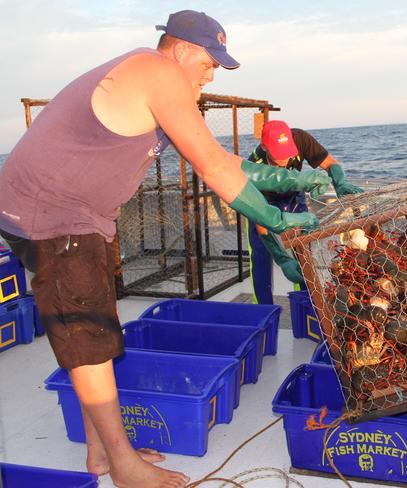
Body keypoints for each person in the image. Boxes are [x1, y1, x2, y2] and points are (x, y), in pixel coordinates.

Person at [0, 10, 325, 488]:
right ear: (181, 50)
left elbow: (226, 163)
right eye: (210, 62)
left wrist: (292, 180)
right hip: (53, 217)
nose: (211, 73)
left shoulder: (149, 77)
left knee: (93, 330)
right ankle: (124, 466)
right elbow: (214, 168)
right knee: (90, 339)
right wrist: (277, 219)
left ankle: (99, 451)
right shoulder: (159, 73)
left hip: (62, 215)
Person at [246, 120, 363, 304]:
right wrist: (281, 258)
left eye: (288, 153)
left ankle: (306, 302)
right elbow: (260, 221)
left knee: (303, 254)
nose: (284, 160)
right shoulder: (253, 165)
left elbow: (330, 163)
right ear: (264, 147)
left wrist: (340, 182)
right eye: (279, 155)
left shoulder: (300, 138)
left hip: (293, 198)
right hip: (263, 204)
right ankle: (263, 309)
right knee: (261, 257)